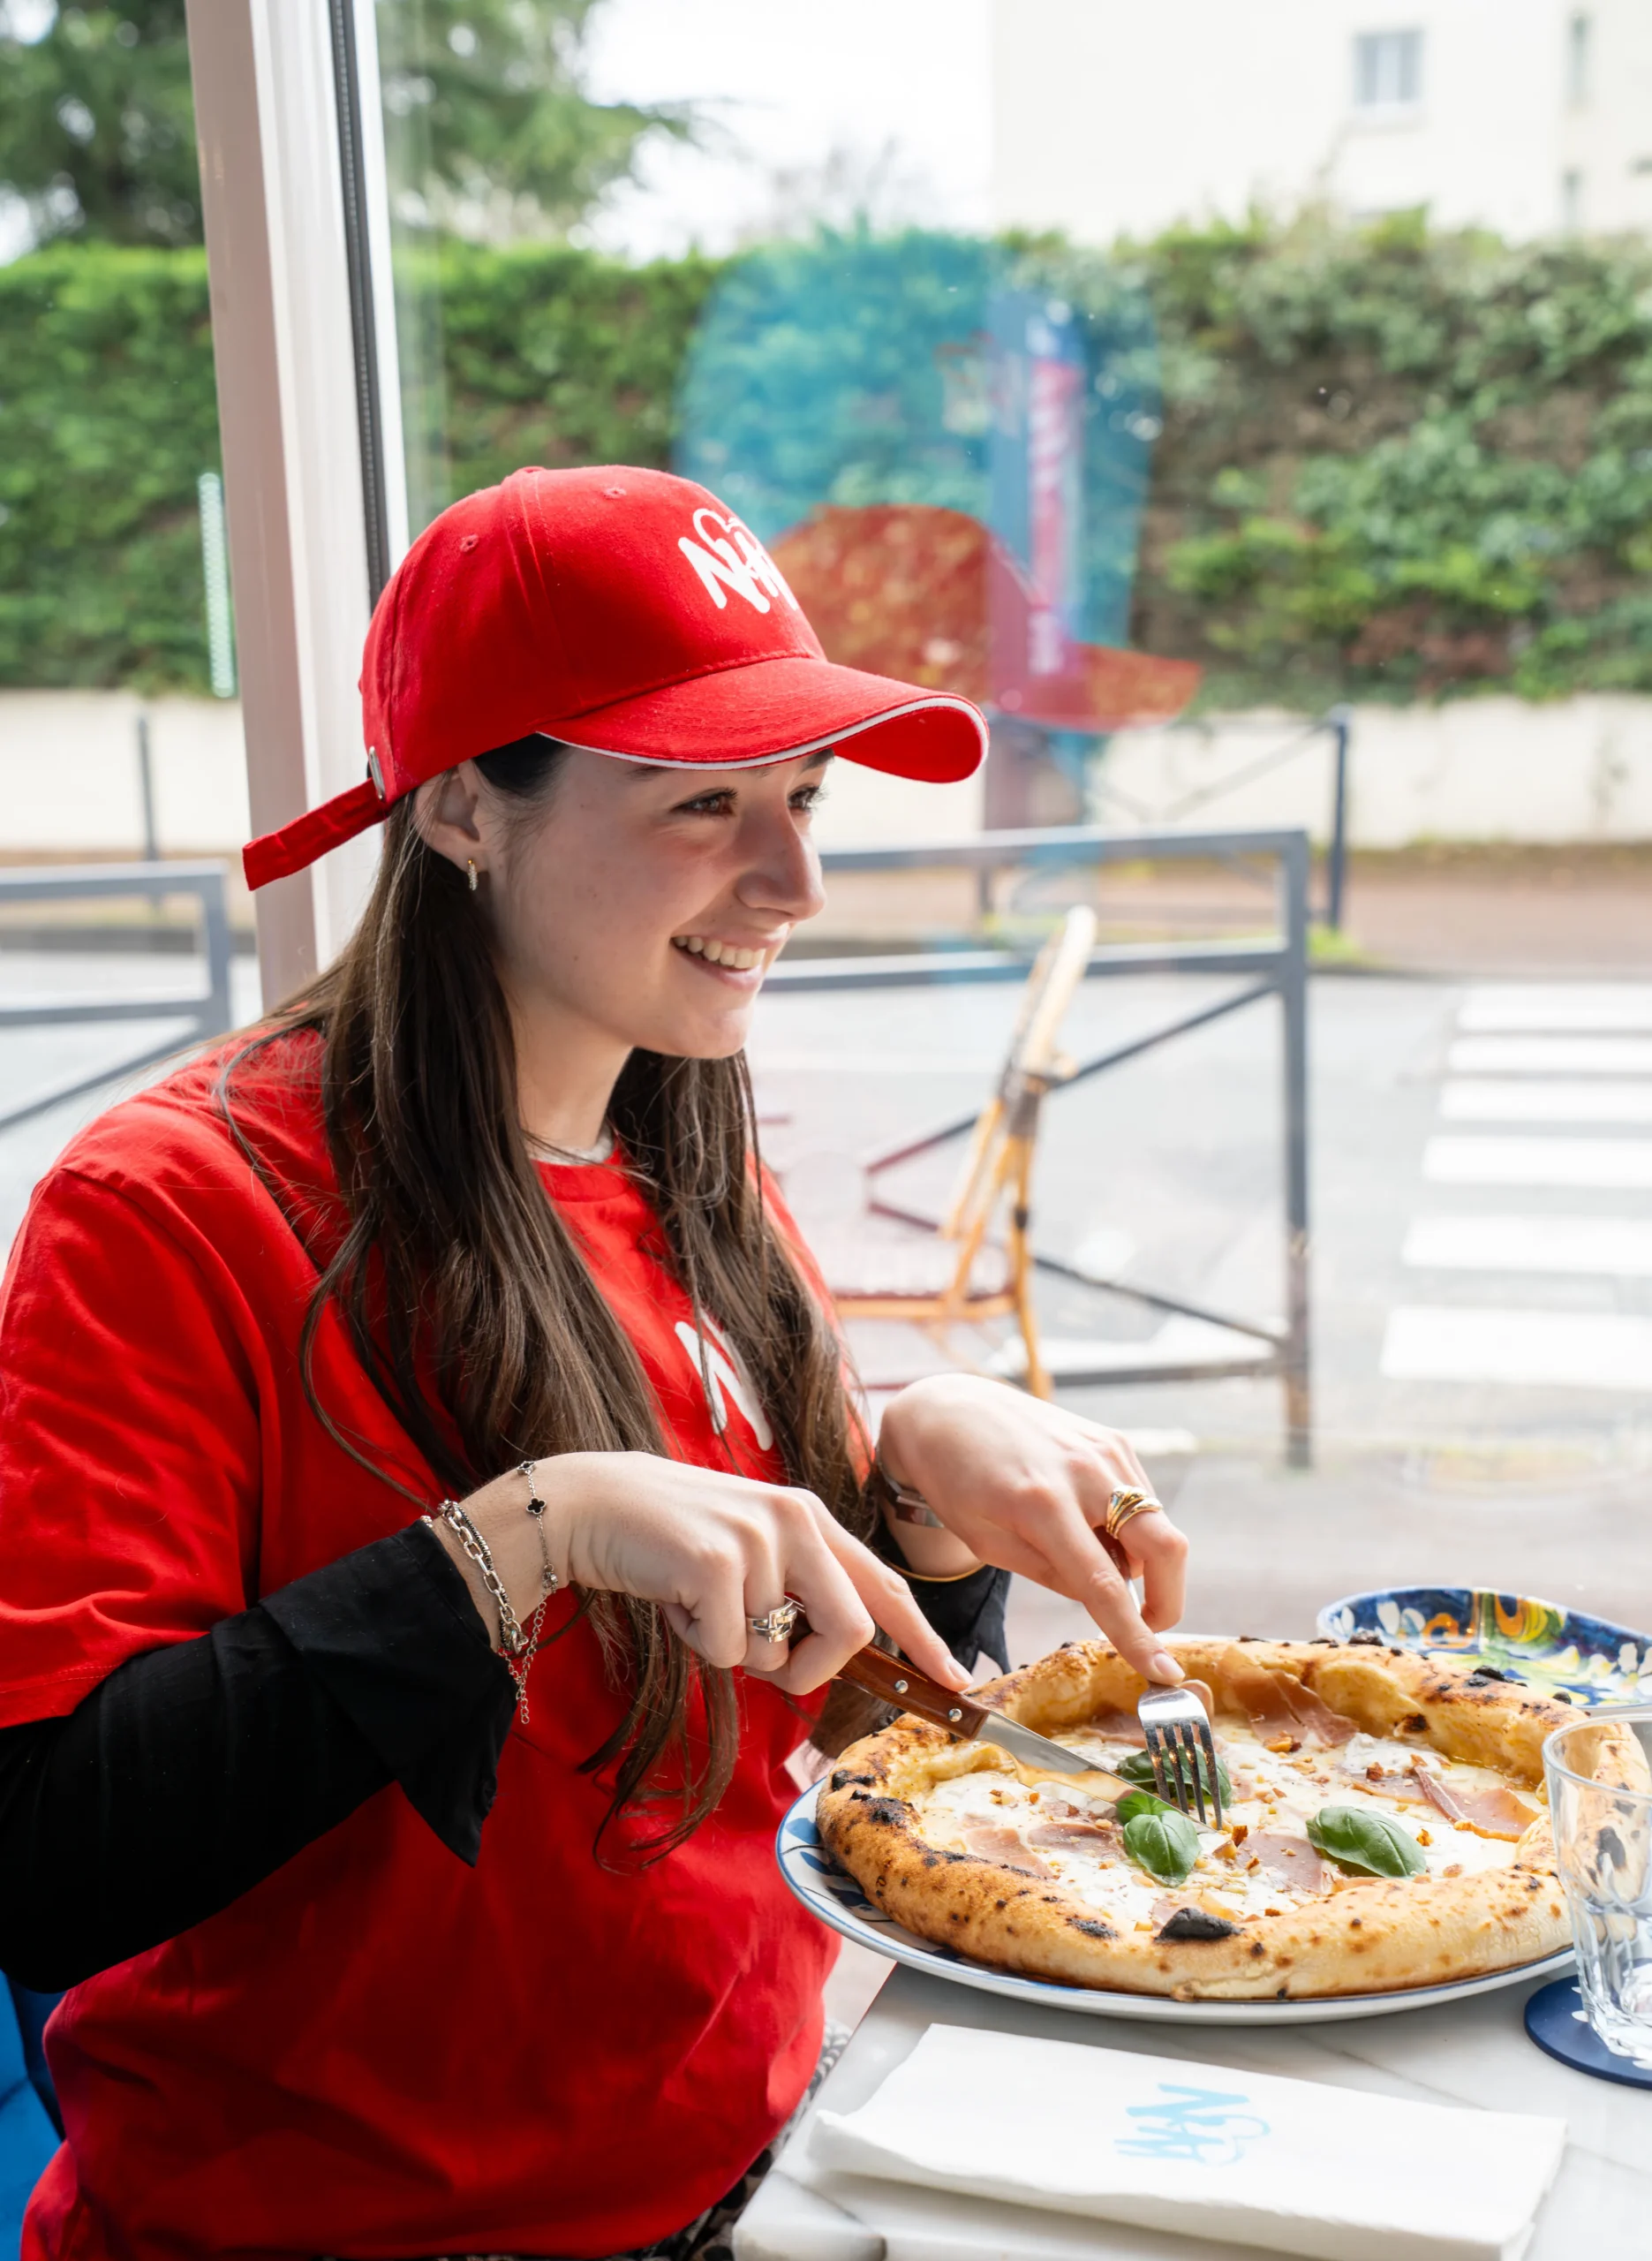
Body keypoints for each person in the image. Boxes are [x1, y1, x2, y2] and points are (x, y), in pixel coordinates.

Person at [0, 465, 1189, 2261]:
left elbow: (766, 1725)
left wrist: (922, 1503)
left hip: (753, 2178)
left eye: (802, 794)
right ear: (467, 804)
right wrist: (517, 1538)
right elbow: (54, 1849)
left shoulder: (683, 1145)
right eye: (706, 800)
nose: (790, 875)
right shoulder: (171, 1203)